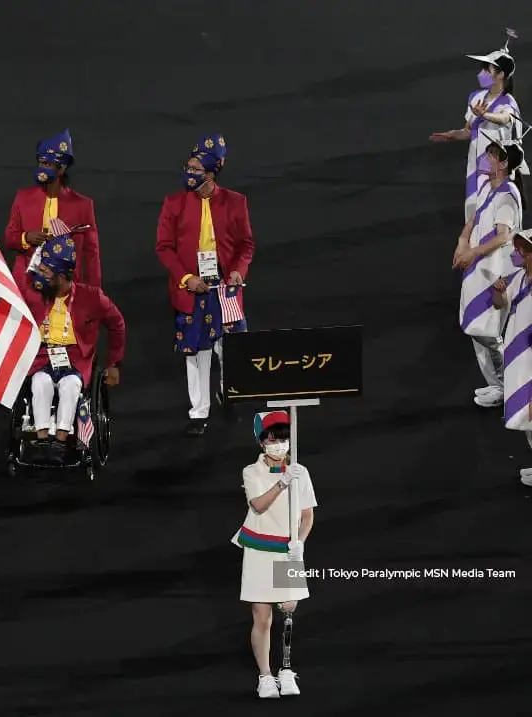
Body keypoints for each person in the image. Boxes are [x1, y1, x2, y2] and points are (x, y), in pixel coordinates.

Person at [156, 140, 255, 435]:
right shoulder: (174, 203)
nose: (190, 172)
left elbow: (246, 245)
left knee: (230, 347)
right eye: (188, 167)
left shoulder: (236, 202)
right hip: (191, 287)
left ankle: (229, 395)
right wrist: (186, 279)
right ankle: (198, 413)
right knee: (196, 353)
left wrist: (238, 271)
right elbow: (163, 247)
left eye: (196, 169)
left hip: (224, 286)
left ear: (212, 173)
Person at [231, 411, 317, 699]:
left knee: (289, 611)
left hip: (288, 551)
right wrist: (282, 482)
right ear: (261, 442)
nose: (279, 444)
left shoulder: (300, 472)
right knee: (262, 616)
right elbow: (258, 505)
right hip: (259, 549)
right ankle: (265, 676)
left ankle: (287, 669)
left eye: (283, 438)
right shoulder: (251, 472)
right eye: (273, 438)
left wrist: (300, 543)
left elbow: (307, 515)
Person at [22, 231, 125, 464]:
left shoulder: (91, 298)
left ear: (60, 276)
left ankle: (60, 441)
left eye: (45, 272)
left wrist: (114, 363)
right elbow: (21, 282)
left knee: (70, 385)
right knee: (40, 382)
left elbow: (117, 324)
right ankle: (42, 440)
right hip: (43, 358)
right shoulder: (36, 295)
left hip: (76, 361)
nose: (40, 275)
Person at [454, 132, 524, 408]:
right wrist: (462, 241)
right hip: (476, 268)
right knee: (474, 328)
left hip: (493, 272)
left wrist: (471, 252)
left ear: (502, 164)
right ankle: (495, 385)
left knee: (486, 331)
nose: (484, 158)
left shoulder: (507, 196)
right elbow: (473, 218)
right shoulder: (486, 187)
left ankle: (509, 387)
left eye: (490, 155)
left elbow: (503, 236)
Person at [430, 31, 526, 221]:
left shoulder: (508, 102)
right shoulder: (476, 97)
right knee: (474, 214)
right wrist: (452, 135)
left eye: (487, 70)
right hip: (476, 166)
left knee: (496, 216)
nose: (481, 74)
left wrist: (485, 115)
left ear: (501, 75)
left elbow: (504, 118)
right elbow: (468, 130)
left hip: (498, 167)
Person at [4, 130, 102, 289]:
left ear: (61, 169)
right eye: (41, 163)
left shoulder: (83, 205)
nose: (42, 168)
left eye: (47, 164)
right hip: (26, 285)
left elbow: (91, 254)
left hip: (65, 287)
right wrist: (26, 237)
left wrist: (94, 292)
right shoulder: (23, 197)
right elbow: (9, 238)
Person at [492, 227, 532, 485]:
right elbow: (499, 304)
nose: (518, 253)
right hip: (521, 363)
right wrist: (498, 290)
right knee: (529, 424)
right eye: (519, 248)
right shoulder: (519, 278)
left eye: (525, 250)